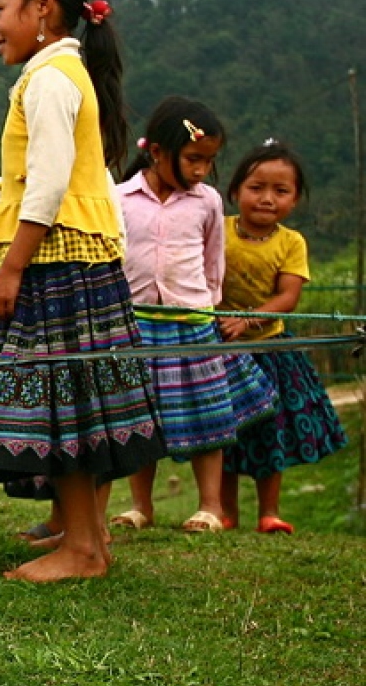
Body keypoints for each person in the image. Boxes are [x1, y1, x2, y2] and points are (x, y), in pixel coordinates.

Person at [0, 0, 166, 582]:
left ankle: (82, 550)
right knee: (74, 400)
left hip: (59, 267)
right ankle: (86, 537)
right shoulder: (59, 74)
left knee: (69, 405)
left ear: (43, 5)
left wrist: (11, 268)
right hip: (78, 262)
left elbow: (50, 184)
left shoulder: (51, 80)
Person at [103, 98, 274, 533]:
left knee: (207, 412)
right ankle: (141, 506)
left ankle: (210, 507)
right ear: (158, 152)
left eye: (209, 161)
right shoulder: (119, 198)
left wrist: (208, 309)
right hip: (137, 323)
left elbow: (214, 261)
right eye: (193, 158)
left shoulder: (207, 202)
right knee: (141, 415)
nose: (202, 169)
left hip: (193, 323)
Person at [218, 141, 348, 533]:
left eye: (280, 190)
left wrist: (247, 321)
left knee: (270, 430)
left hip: (270, 351)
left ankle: (269, 513)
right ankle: (223, 513)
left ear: (295, 199)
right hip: (219, 350)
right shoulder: (217, 230)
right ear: (236, 190)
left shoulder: (291, 242)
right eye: (256, 187)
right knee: (222, 431)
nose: (267, 198)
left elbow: (288, 297)